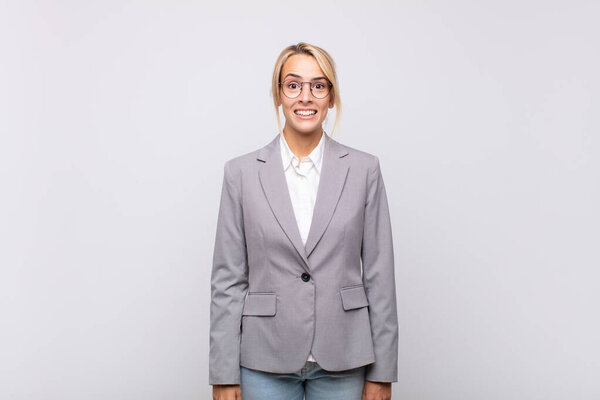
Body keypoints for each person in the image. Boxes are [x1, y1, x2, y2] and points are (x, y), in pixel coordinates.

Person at [209, 42, 398, 400]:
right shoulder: (241, 174)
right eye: (293, 85)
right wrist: (223, 373)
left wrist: (383, 371)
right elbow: (227, 280)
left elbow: (380, 276)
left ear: (331, 97)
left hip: (345, 358)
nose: (305, 97)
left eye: (318, 85)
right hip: (264, 358)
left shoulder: (364, 170)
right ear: (279, 94)